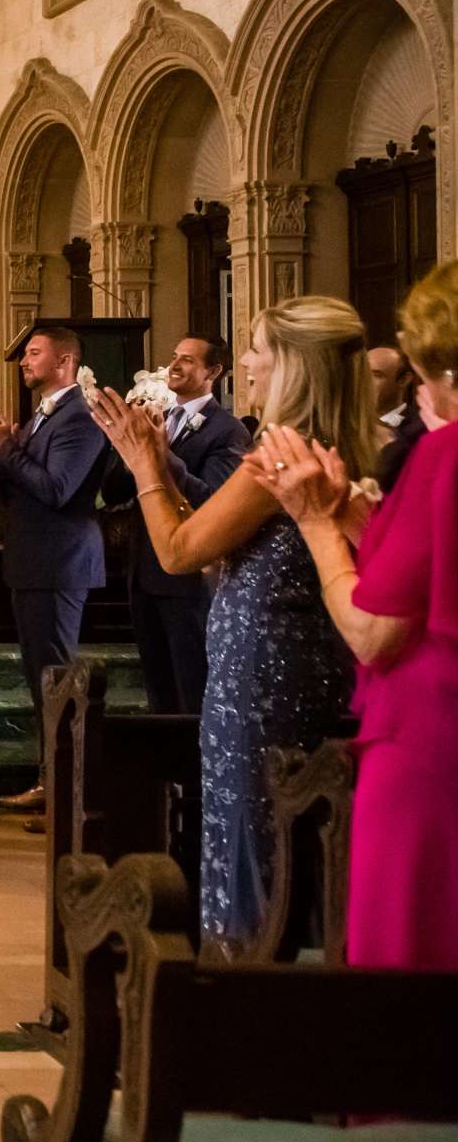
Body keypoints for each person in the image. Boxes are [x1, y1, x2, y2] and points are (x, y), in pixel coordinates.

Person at [90, 296, 372, 950]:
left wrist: (140, 466)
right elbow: (220, 540)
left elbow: (181, 551)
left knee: (250, 835)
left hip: (259, 677)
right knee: (291, 838)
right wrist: (163, 468)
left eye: (259, 351)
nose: (245, 361)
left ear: (294, 368)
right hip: (307, 667)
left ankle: (243, 978)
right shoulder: (344, 445)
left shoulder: (277, 455)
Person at [248, 263, 458, 971]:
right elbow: (427, 570)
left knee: (413, 954)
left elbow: (374, 632)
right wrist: (352, 518)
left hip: (433, 742)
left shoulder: (445, 454)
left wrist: (312, 521)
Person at [0, 326, 109, 817]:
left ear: (65, 359)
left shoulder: (80, 416)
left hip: (59, 561)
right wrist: (14, 444)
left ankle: (66, 788)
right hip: (34, 561)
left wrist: (2, 447)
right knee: (42, 679)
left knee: (56, 679)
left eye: (34, 353)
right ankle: (50, 780)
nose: (24, 362)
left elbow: (57, 490)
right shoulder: (43, 415)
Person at [102, 336, 249, 714]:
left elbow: (215, 500)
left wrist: (162, 457)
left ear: (213, 372)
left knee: (190, 688)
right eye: (174, 357)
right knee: (158, 689)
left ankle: (192, 770)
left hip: (188, 580)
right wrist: (127, 447)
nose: (175, 366)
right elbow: (115, 490)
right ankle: (166, 772)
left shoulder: (226, 431)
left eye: (188, 360)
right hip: (144, 571)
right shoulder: (158, 417)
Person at [367, 344, 427, 492]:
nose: (364, 383)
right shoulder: (348, 424)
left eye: (375, 375)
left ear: (404, 380)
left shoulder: (418, 428)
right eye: (362, 374)